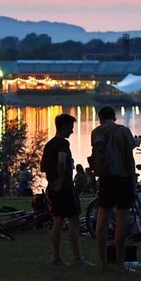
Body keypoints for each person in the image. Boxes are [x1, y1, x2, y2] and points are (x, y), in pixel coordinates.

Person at [40, 113, 92, 267]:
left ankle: (56, 258)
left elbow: (43, 166)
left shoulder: (49, 145)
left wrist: (53, 180)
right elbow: (62, 161)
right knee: (74, 220)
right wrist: (62, 180)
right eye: (70, 127)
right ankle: (78, 258)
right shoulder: (63, 144)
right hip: (65, 188)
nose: (72, 131)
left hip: (52, 187)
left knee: (58, 220)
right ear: (63, 126)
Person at [91, 106, 138, 273]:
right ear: (114, 117)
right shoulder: (123, 131)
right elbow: (129, 159)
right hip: (123, 179)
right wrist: (133, 183)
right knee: (121, 221)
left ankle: (102, 263)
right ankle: (120, 263)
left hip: (105, 179)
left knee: (102, 220)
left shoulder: (97, 132)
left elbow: (97, 156)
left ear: (100, 118)